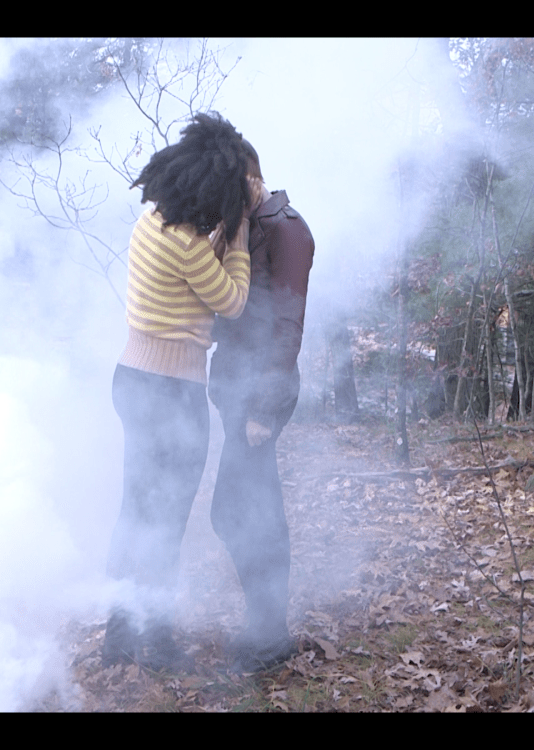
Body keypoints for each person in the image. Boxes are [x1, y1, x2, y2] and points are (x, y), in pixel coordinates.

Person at [102, 113, 253, 671]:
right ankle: (159, 643)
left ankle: (118, 635)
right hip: (173, 388)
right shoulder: (192, 247)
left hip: (133, 375)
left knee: (133, 512)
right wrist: (236, 232)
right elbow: (233, 299)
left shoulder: (152, 219)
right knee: (166, 520)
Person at [208, 139, 315, 672]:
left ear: (252, 181)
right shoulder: (251, 228)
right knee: (242, 508)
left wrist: (263, 411)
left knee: (246, 510)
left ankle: (270, 634)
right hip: (237, 390)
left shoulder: (288, 229)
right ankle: (265, 627)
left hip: (262, 397)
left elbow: (288, 326)